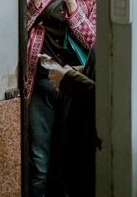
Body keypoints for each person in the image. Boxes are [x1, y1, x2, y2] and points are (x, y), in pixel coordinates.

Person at [25, 0, 97, 197]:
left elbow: (93, 42)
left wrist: (70, 2)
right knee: (39, 163)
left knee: (66, 161)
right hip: (40, 81)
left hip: (72, 86)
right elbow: (18, 23)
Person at [47, 50, 99, 197]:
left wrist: (68, 78)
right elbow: (98, 69)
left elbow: (110, 97)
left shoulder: (127, 37)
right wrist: (72, 71)